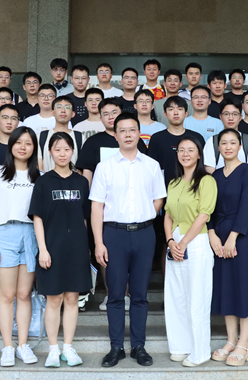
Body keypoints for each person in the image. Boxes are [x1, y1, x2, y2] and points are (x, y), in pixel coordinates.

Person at [90, 112, 166, 368]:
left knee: (140, 294)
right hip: (114, 234)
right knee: (115, 294)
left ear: (138, 133)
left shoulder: (151, 165)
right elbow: (97, 206)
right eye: (122, 130)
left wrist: (144, 215)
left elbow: (159, 198)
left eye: (132, 130)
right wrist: (99, 242)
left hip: (144, 234)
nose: (128, 134)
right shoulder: (105, 166)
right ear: (115, 135)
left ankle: (138, 346)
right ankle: (116, 347)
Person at [30, 132, 92, 368]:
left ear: (72, 151)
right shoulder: (43, 182)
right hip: (52, 249)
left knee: (72, 298)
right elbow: (37, 217)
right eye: (57, 149)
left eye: (67, 149)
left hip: (76, 249)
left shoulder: (81, 182)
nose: (62, 154)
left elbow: (85, 218)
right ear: (50, 153)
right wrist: (43, 249)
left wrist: (86, 248)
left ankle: (68, 347)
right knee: (54, 299)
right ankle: (53, 349)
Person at [0, 126, 40, 367]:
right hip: (4, 233)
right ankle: (8, 346)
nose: (23, 147)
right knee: (6, 295)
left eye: (28, 143)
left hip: (30, 234)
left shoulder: (39, 176)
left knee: (24, 294)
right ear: (11, 145)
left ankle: (23, 345)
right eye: (18, 142)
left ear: (34, 148)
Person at [208, 129, 248, 367]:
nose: (228, 146)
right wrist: (212, 234)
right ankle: (231, 340)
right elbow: (208, 207)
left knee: (245, 287)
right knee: (227, 288)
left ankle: (244, 343)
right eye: (223, 143)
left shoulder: (247, 171)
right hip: (219, 236)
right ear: (218, 147)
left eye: (232, 142)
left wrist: (232, 237)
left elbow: (247, 205)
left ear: (240, 146)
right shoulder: (215, 175)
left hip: (241, 236)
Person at [164, 136, 217, 367]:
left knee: (197, 298)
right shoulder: (174, 183)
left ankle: (200, 352)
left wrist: (183, 242)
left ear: (199, 154)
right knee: (175, 297)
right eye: (181, 150)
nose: (185, 154)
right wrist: (170, 241)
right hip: (175, 242)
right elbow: (167, 214)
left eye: (190, 150)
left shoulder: (206, 181)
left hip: (195, 243)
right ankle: (180, 346)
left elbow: (204, 215)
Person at [76, 98, 147, 186]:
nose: (111, 117)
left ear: (121, 113)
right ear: (101, 118)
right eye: (106, 114)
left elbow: (144, 168)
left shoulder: (134, 140)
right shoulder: (92, 142)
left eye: (114, 112)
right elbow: (87, 174)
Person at [148, 96, 205, 186]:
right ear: (165, 114)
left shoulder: (196, 137)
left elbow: (202, 165)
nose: (175, 113)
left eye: (180, 109)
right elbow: (151, 168)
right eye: (171, 109)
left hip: (193, 187)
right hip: (164, 188)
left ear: (186, 113)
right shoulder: (157, 138)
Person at [203, 99, 248, 173]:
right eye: (226, 114)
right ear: (220, 117)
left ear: (240, 117)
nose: (230, 118)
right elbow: (210, 172)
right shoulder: (212, 141)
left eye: (235, 114)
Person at [37, 95, 83, 171]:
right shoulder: (41, 137)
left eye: (67, 107)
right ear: (52, 112)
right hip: (47, 178)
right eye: (59, 107)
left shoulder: (80, 137)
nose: (63, 110)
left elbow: (82, 168)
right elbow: (39, 167)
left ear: (73, 114)